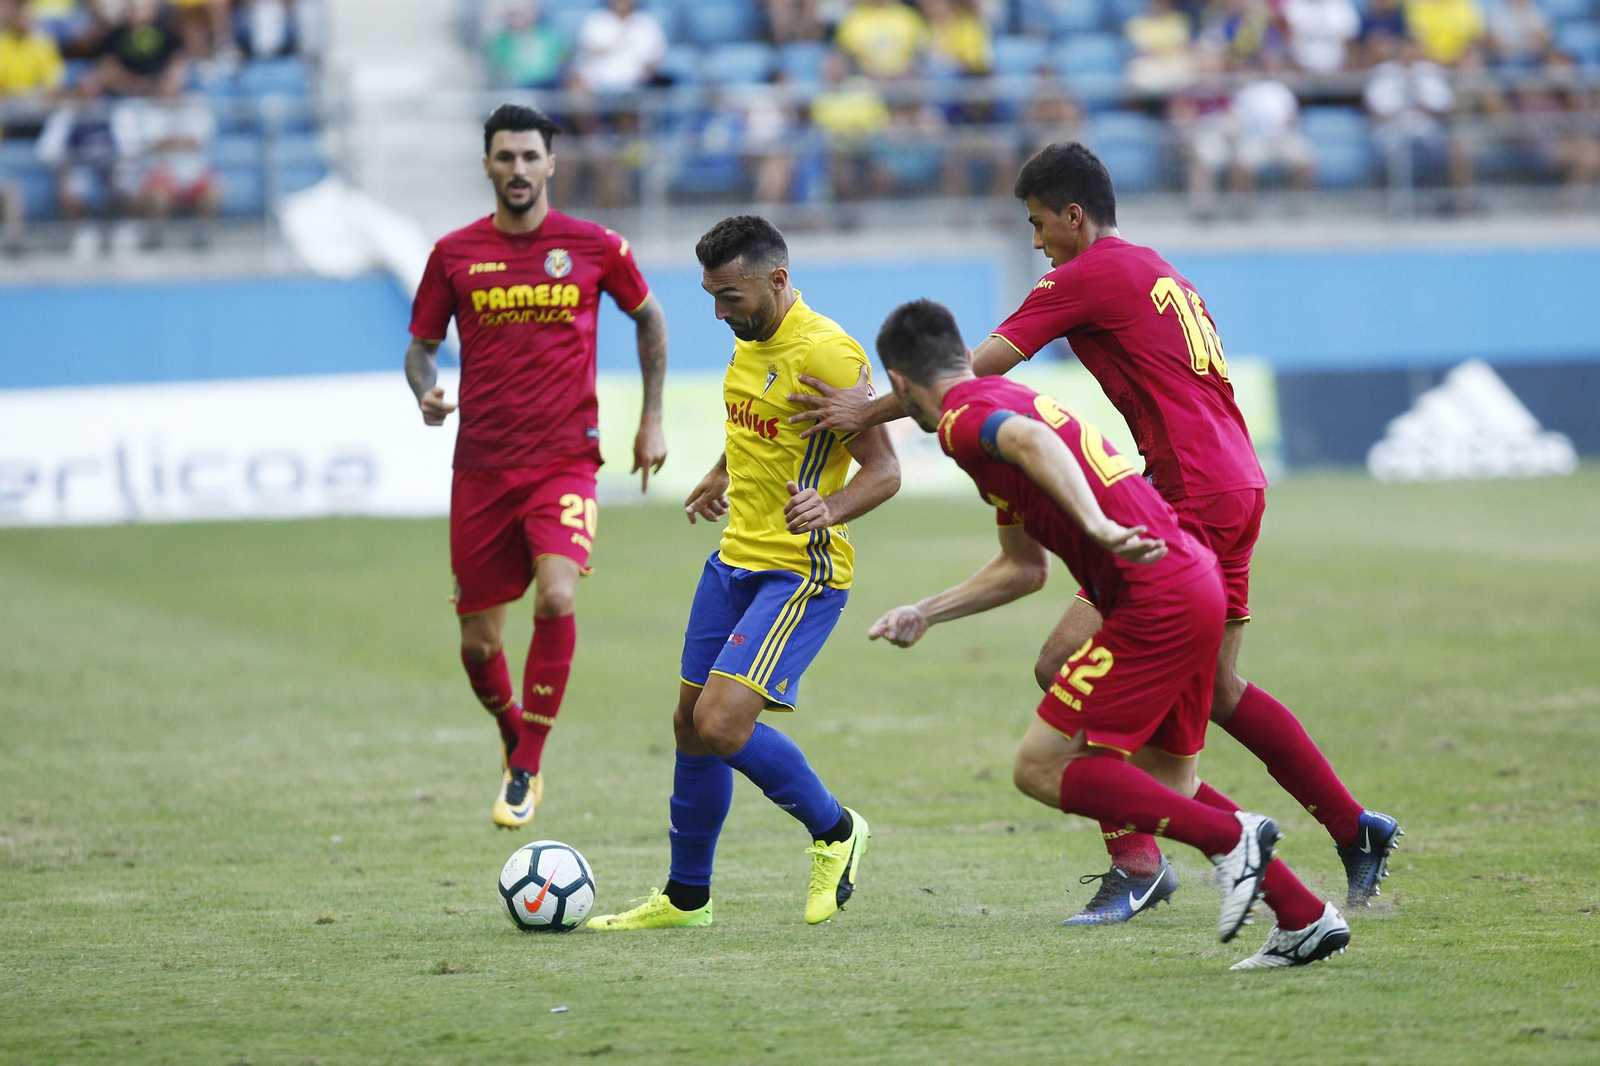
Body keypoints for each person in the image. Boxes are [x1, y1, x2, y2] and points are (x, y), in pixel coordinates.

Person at [788, 142, 1402, 925]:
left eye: (1039, 225)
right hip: (1234, 479)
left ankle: (1144, 861)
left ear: (1074, 217)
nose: (1037, 243)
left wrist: (868, 409)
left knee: (1062, 667)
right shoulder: (1157, 269)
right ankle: (1353, 828)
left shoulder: (1087, 274)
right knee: (1214, 691)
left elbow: (973, 369)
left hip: (1187, 492)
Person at [869, 299, 1352, 969]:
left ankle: (1230, 839)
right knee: (1166, 786)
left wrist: (1093, 524)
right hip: (1194, 580)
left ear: (898, 383)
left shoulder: (959, 421)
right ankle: (1303, 917)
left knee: (1040, 766)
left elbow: (1030, 445)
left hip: (1154, 597)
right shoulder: (1006, 396)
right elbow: (1023, 568)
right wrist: (927, 610)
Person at [588, 215, 901, 931]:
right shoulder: (750, 339)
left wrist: (832, 506)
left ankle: (836, 830)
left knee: (723, 723)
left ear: (777, 280)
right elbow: (759, 429)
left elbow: (883, 471)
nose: (720, 313)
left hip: (800, 573)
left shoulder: (829, 354)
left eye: (730, 297)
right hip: (733, 558)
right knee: (689, 727)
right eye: (711, 296)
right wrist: (719, 473)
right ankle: (686, 899)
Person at [404, 104, 670, 829]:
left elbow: (648, 316)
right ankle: (511, 731)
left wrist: (650, 417)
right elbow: (421, 343)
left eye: (530, 157)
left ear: (551, 164)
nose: (518, 169)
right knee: (478, 645)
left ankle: (528, 761)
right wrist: (424, 389)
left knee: (557, 598)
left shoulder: (594, 246)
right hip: (482, 468)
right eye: (505, 157)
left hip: (564, 461)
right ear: (487, 165)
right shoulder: (453, 254)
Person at [569, 0, 665, 94]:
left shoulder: (647, 23)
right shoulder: (595, 20)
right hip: (597, 81)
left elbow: (654, 61)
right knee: (576, 86)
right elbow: (587, 53)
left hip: (636, 82)